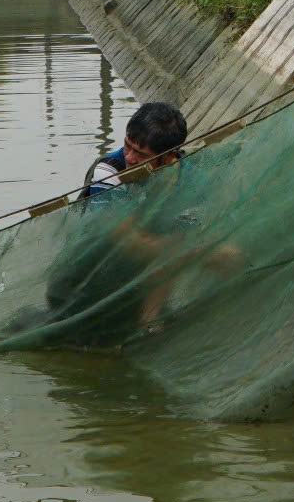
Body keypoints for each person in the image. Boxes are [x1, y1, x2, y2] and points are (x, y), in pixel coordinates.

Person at [46, 101, 239, 341]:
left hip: (136, 288)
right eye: (128, 146)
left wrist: (189, 251)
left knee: (229, 256)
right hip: (82, 288)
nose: (129, 157)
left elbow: (177, 244)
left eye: (141, 154)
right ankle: (148, 320)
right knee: (205, 250)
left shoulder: (190, 179)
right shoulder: (108, 171)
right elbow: (125, 241)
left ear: (169, 157)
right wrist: (196, 252)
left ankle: (151, 319)